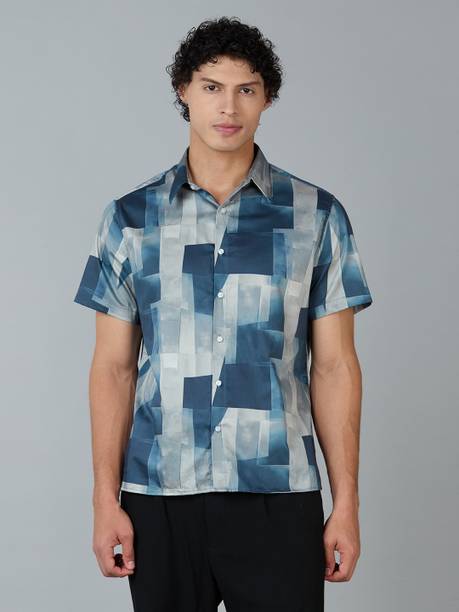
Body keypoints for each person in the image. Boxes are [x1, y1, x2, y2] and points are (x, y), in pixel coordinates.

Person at [73, 16, 373, 612]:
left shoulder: (316, 216)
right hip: (160, 493)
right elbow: (113, 368)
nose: (228, 107)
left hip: (278, 493)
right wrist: (105, 500)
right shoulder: (130, 220)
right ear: (183, 91)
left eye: (246, 89)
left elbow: (335, 366)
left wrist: (346, 504)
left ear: (267, 98)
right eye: (211, 87)